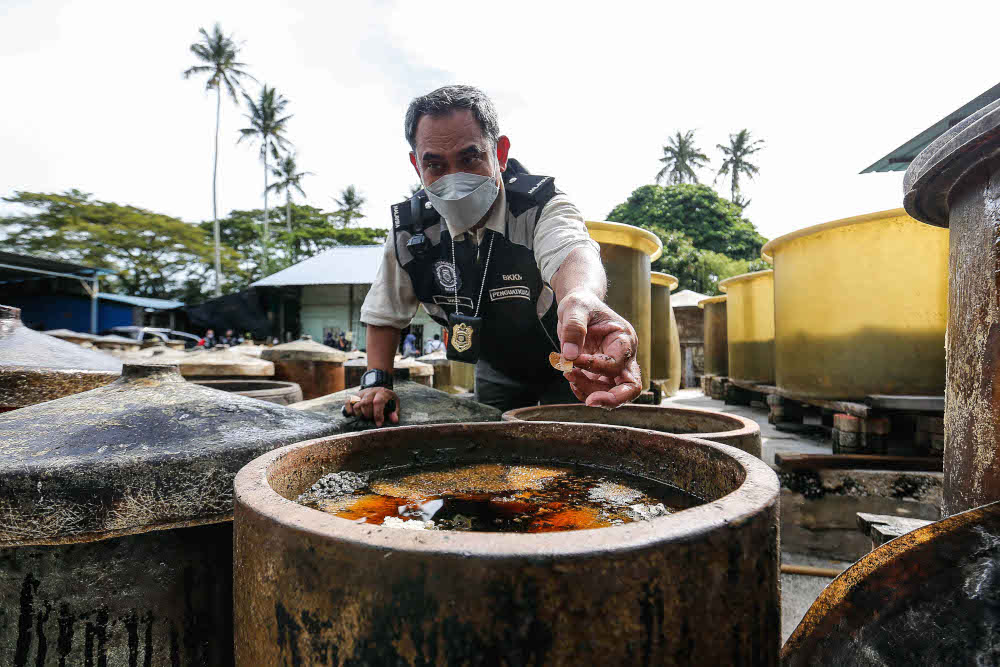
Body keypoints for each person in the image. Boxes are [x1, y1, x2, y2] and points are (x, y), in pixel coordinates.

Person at [347, 85, 640, 426]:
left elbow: (571, 250)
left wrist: (580, 296)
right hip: (495, 367)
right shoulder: (411, 232)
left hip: (573, 360)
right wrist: (377, 383)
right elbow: (385, 312)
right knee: (495, 447)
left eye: (470, 158)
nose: (454, 179)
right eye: (435, 165)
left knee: (579, 444)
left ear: (499, 152)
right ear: (416, 165)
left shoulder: (539, 205)